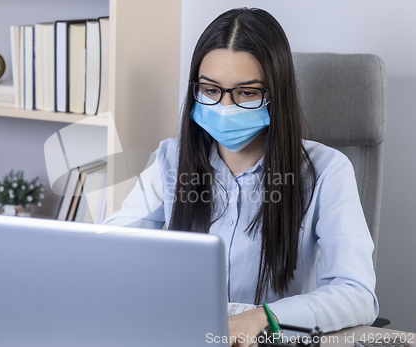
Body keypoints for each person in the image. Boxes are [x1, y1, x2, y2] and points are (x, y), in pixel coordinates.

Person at [103, 7, 378, 346]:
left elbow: (357, 293)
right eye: (210, 90)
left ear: (276, 96)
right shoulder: (170, 159)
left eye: (246, 93)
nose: (224, 107)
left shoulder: (328, 171)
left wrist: (267, 316)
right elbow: (109, 252)